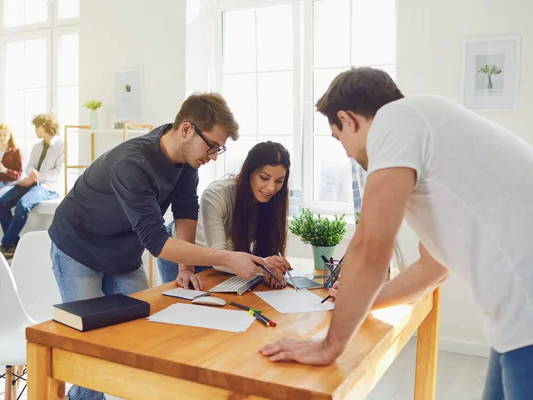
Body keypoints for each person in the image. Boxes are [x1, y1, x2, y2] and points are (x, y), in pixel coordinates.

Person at [259, 67, 533, 399]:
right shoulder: (428, 128)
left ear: (349, 119)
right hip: (515, 322)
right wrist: (360, 303)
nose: (345, 152)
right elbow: (432, 268)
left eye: (338, 137)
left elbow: (370, 249)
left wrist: (328, 347)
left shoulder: (395, 120)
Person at [48, 93, 288, 400]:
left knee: (142, 334)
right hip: (78, 249)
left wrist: (185, 268)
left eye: (220, 148)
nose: (213, 155)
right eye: (211, 146)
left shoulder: (187, 160)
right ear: (187, 130)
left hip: (122, 254)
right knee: (92, 345)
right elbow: (158, 242)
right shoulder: (132, 164)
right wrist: (228, 257)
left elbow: (184, 212)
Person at [157, 141, 292, 290]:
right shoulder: (216, 195)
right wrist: (265, 266)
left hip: (226, 261)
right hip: (189, 253)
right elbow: (219, 256)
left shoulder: (274, 201)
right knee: (183, 303)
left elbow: (265, 252)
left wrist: (274, 269)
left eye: (279, 181)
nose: (271, 188)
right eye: (264, 178)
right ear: (249, 172)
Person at [0, 114, 63, 259]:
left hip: (48, 187)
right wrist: (31, 174)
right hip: (31, 182)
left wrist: (37, 176)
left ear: (45, 126)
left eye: (37, 127)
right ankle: (14, 245)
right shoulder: (37, 146)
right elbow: (30, 165)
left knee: (23, 205)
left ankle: (6, 244)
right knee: (1, 203)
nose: (35, 131)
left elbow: (58, 172)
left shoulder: (61, 145)